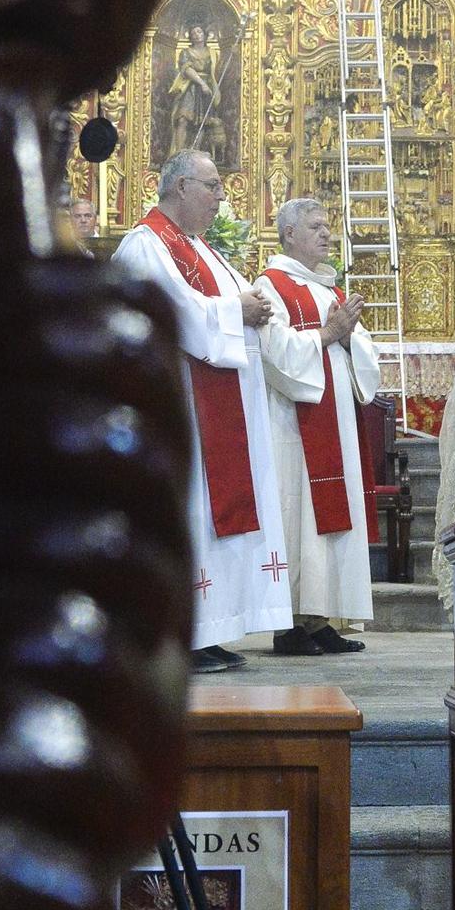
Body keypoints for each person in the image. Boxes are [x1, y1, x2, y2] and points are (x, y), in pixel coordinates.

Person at [116, 151, 294, 671]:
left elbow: (239, 303)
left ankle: (209, 628)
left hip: (220, 403)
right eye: (214, 186)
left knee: (214, 514)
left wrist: (255, 310)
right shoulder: (145, 245)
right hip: (180, 407)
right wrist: (235, 311)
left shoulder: (199, 249)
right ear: (180, 188)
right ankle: (181, 633)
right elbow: (168, 313)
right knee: (190, 508)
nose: (222, 197)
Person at [256, 197, 382, 655]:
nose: (328, 233)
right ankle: (289, 623)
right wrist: (327, 336)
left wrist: (347, 340)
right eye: (316, 226)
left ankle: (319, 618)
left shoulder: (328, 290)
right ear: (289, 233)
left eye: (328, 225)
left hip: (335, 424)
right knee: (297, 516)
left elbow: (364, 355)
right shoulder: (269, 286)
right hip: (293, 427)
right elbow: (273, 354)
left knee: (329, 518)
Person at [168, 22, 226, 162]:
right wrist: (201, 83)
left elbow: (216, 71)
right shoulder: (186, 52)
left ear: (205, 34)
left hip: (207, 91)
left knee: (202, 123)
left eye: (199, 32)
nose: (197, 35)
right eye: (193, 33)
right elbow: (187, 69)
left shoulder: (212, 53)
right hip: (190, 88)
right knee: (182, 119)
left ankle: (194, 154)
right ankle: (179, 154)